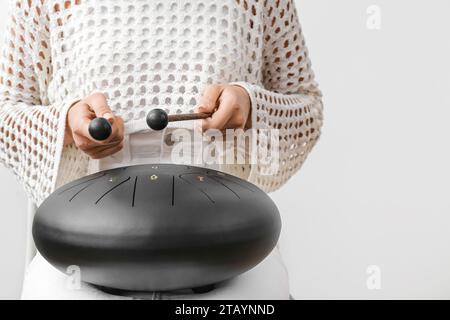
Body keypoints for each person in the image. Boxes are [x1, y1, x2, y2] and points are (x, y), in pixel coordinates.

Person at [0, 0, 323, 299]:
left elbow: (306, 106)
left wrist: (251, 106)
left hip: (227, 242)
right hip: (84, 246)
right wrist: (68, 124)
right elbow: (6, 113)